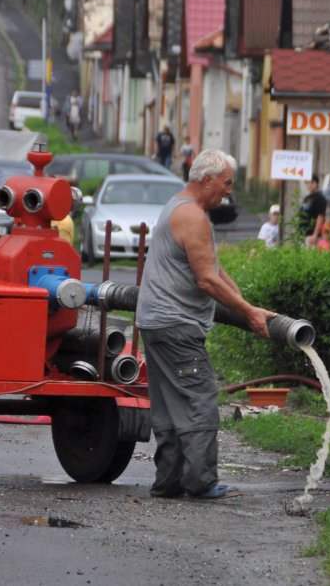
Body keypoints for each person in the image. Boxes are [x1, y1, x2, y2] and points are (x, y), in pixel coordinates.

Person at [136, 149, 276, 500]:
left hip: (156, 323)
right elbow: (207, 282)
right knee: (200, 400)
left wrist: (248, 306)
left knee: (169, 404)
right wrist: (249, 313)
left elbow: (215, 271)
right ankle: (200, 483)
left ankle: (168, 482)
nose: (229, 191)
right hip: (176, 324)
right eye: (227, 183)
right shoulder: (193, 217)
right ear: (207, 179)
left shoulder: (179, 207)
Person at [298, 174, 327, 246]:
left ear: (316, 183)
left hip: (312, 235)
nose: (309, 185)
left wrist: (315, 234)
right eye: (307, 182)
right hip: (304, 234)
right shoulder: (307, 198)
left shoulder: (319, 198)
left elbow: (321, 216)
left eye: (312, 182)